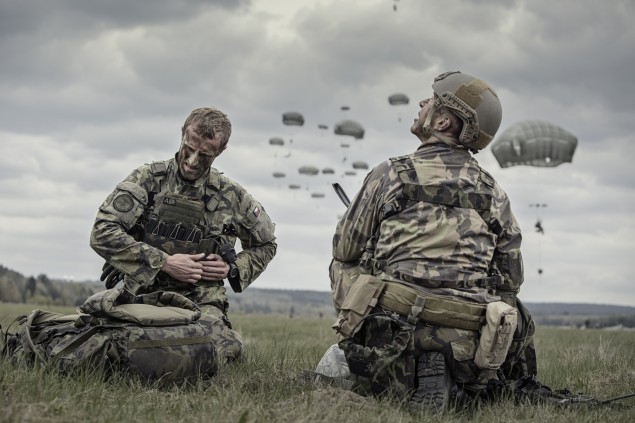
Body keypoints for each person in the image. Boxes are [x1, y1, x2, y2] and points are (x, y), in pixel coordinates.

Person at [328, 71, 536, 410]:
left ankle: (364, 352)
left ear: (441, 121)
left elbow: (344, 249)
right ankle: (478, 380)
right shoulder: (494, 192)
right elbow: (510, 279)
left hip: (392, 338)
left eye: (430, 102)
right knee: (511, 301)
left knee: (344, 263)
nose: (422, 104)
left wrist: (375, 256)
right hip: (468, 349)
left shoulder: (389, 173)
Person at [90, 107, 277, 361]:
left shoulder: (231, 196)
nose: (191, 161)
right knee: (107, 344)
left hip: (200, 299)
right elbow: (102, 231)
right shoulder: (148, 179)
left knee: (205, 350)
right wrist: (164, 262)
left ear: (220, 152)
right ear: (182, 135)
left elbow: (266, 244)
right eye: (188, 149)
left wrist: (232, 268)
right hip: (142, 293)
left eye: (204, 155)